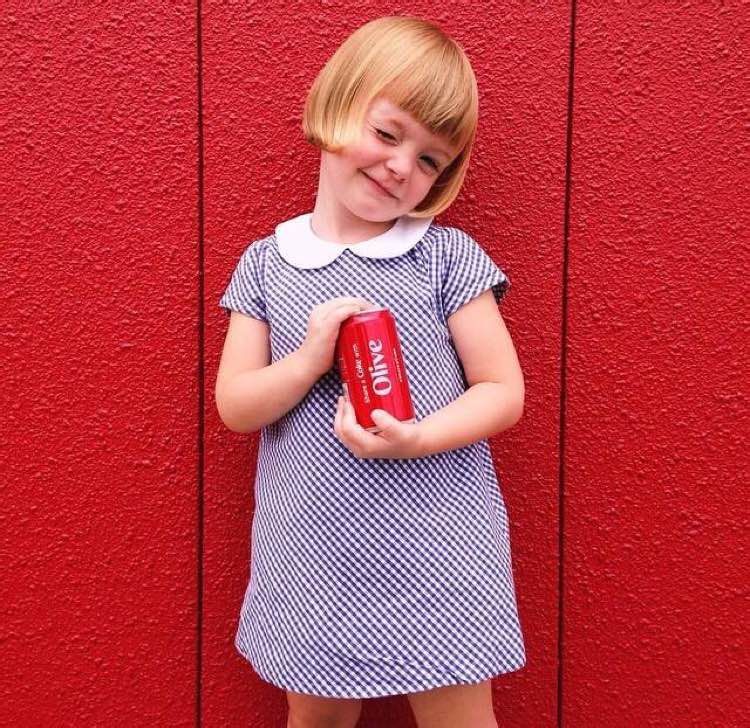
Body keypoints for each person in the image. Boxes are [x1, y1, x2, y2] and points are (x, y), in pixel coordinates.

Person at [215, 16, 526, 728]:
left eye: (430, 160)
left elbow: (502, 391)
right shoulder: (267, 264)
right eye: (388, 134)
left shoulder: (443, 257)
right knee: (317, 720)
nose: (400, 167)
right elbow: (236, 404)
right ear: (335, 105)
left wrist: (417, 439)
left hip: (440, 545)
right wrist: (307, 361)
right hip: (313, 552)